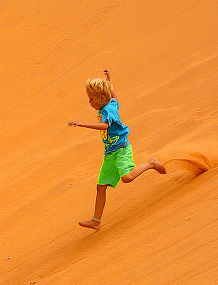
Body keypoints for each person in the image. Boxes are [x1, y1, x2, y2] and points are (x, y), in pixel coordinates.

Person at [67, 70, 166, 230]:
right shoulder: (110, 103)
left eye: (91, 99)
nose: (89, 102)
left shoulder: (108, 111)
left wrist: (82, 124)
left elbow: (105, 125)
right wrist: (109, 82)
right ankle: (96, 221)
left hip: (121, 150)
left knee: (126, 178)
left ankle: (151, 163)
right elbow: (115, 98)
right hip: (110, 155)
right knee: (101, 186)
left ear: (101, 98)